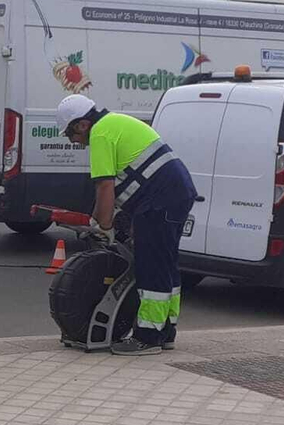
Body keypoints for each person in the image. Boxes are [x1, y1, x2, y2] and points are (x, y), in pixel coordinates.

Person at [56, 94, 197, 355]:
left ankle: (147, 338)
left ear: (82, 124)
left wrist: (103, 226)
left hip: (160, 201)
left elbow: (105, 186)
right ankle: (165, 332)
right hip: (175, 194)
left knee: (151, 266)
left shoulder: (100, 134)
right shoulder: (115, 123)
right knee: (165, 264)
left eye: (70, 134)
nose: (73, 142)